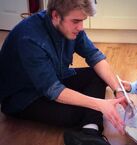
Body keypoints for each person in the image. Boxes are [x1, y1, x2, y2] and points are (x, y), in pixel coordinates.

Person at [0, 0, 126, 145]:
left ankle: (89, 132)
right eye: (76, 21)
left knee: (97, 76)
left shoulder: (70, 28)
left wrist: (118, 90)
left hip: (53, 77)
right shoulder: (29, 38)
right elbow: (53, 90)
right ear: (55, 16)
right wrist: (99, 104)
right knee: (76, 113)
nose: (81, 27)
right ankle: (89, 130)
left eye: (83, 21)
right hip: (24, 97)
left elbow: (94, 56)